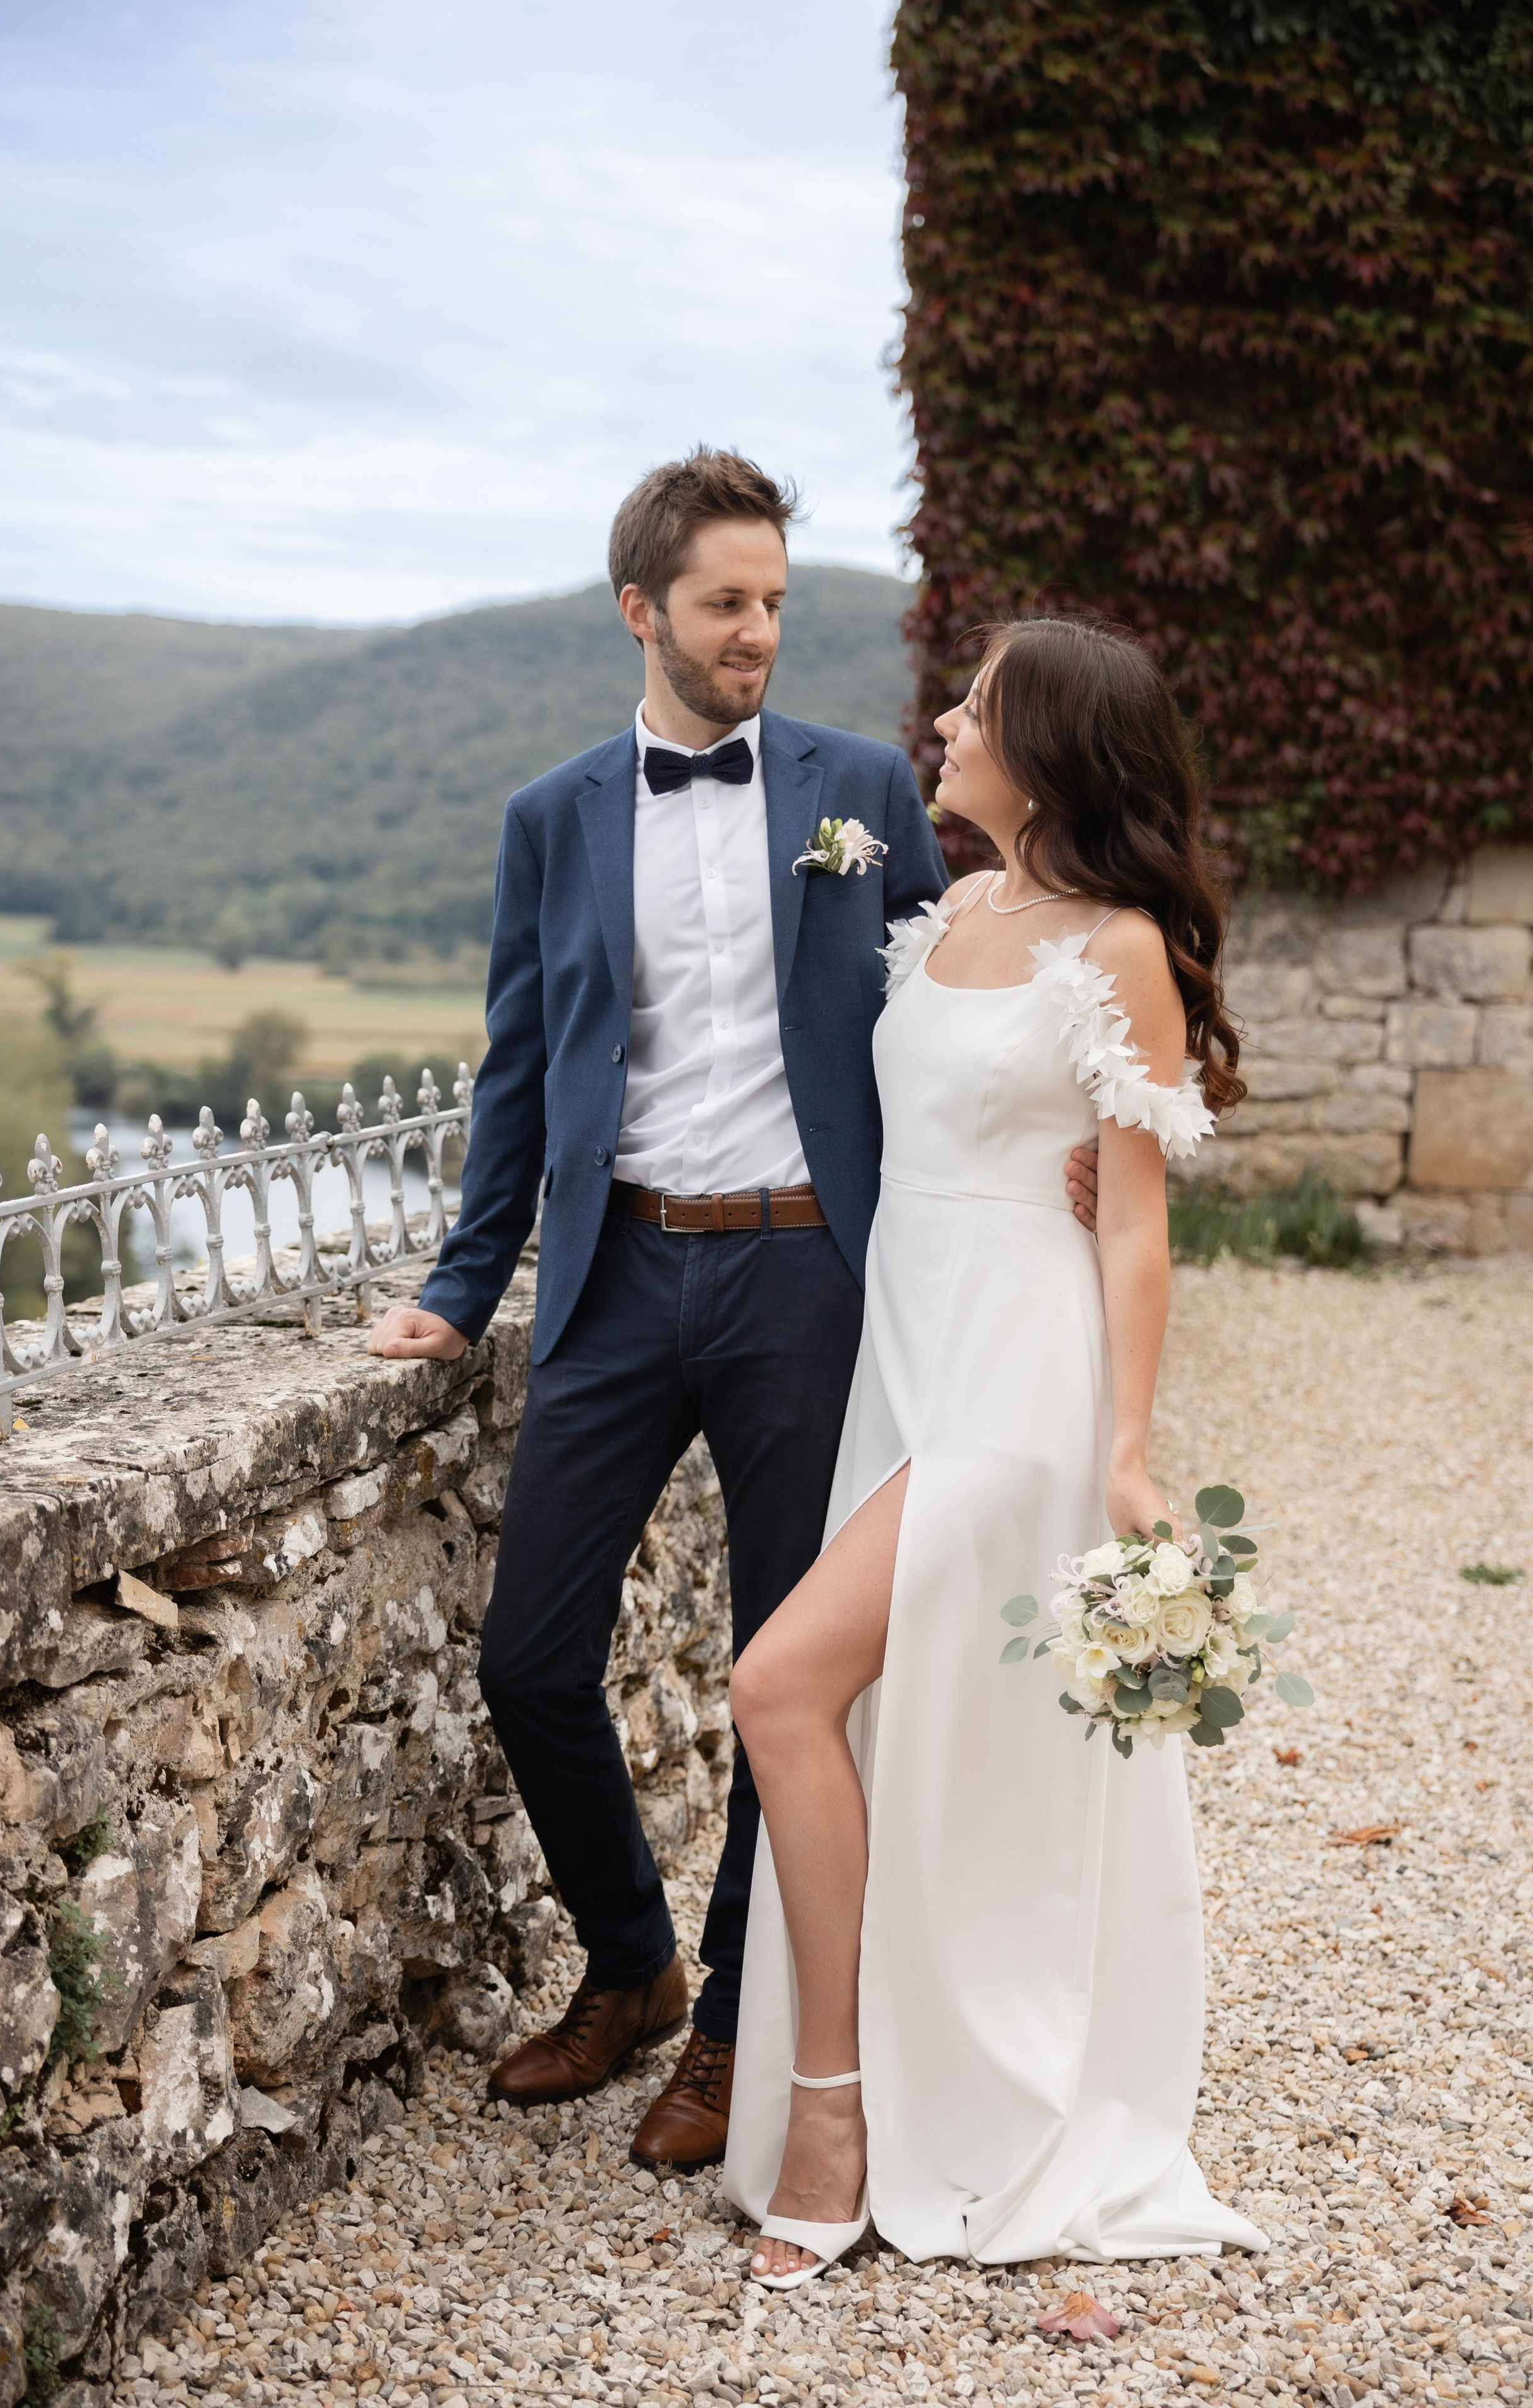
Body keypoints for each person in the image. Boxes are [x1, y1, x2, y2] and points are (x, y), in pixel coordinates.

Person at [367, 451, 1100, 2173]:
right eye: (725, 604)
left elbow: (968, 987)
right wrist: (464, 1289)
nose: (758, 630)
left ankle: (727, 2026)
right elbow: (517, 1069)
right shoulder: (550, 819)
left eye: (774, 600)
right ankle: (626, 1960)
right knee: (527, 1656)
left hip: (805, 1279)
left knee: (787, 1666)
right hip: (618, 1276)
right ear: (645, 612)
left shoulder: (858, 788)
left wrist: (1072, 1139)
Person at [723, 613, 1270, 2283]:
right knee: (901, 1724)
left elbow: (1135, 1227)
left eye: (977, 707)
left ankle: (835, 2114)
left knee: (778, 1686)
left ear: (1054, 748)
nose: (944, 726)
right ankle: (893, 2074)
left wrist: (1128, 1454)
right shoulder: (950, 909)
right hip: (907, 1346)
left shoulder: (1117, 952)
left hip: (1019, 1379)